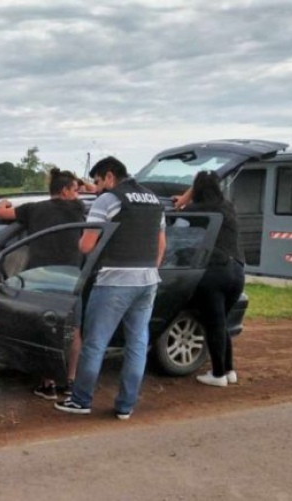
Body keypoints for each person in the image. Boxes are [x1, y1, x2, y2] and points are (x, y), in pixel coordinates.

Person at [55, 156, 166, 420]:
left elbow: (86, 246)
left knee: (95, 343)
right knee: (138, 343)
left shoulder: (109, 199)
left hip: (114, 280)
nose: (97, 188)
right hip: (148, 280)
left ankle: (81, 400)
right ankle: (126, 406)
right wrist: (150, 270)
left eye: (97, 181)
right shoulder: (154, 200)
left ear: (109, 176)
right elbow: (162, 245)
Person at [0, 168, 85, 400]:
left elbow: (0, 213)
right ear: (65, 191)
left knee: (47, 330)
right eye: (75, 190)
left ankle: (48, 383)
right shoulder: (79, 209)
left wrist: (4, 201)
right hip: (73, 277)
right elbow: (90, 189)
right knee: (73, 330)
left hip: (41, 277)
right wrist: (82, 184)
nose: (78, 193)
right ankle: (71, 381)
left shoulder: (34, 209)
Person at [178, 171, 245, 387]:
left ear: (197, 190)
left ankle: (218, 375)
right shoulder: (228, 207)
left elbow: (179, 219)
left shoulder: (197, 210)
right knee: (221, 322)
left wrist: (185, 198)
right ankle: (228, 370)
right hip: (237, 271)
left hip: (215, 272)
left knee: (213, 324)